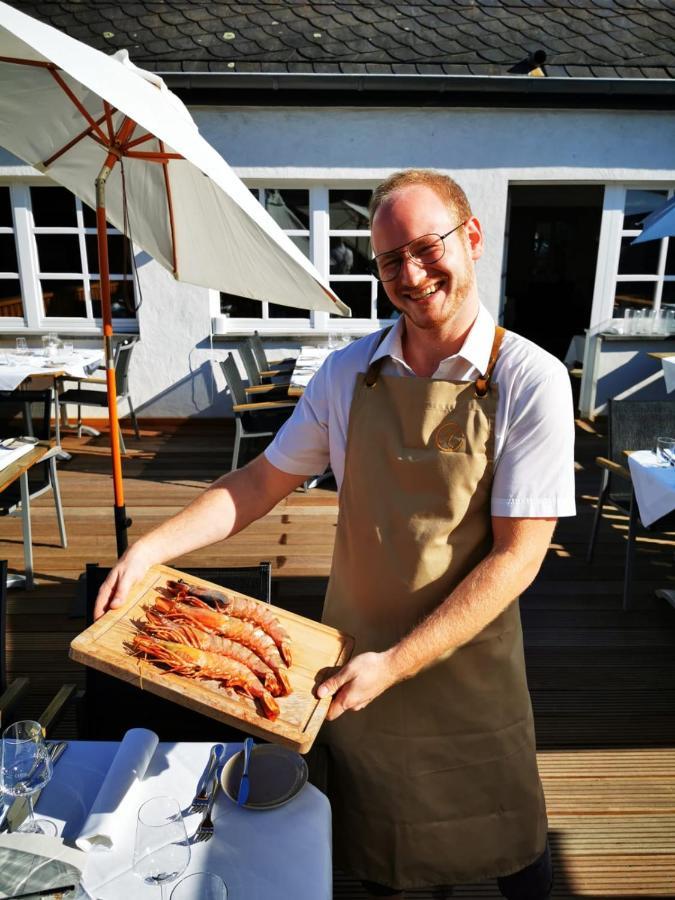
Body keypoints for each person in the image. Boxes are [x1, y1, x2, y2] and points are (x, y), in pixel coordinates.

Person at [95, 169, 575, 898]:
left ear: (471, 237)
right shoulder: (349, 372)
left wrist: (399, 661)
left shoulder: (528, 378)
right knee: (374, 844)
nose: (410, 275)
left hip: (465, 664)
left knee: (509, 841)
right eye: (389, 261)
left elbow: (516, 558)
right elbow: (258, 483)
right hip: (346, 656)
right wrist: (150, 548)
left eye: (426, 247)